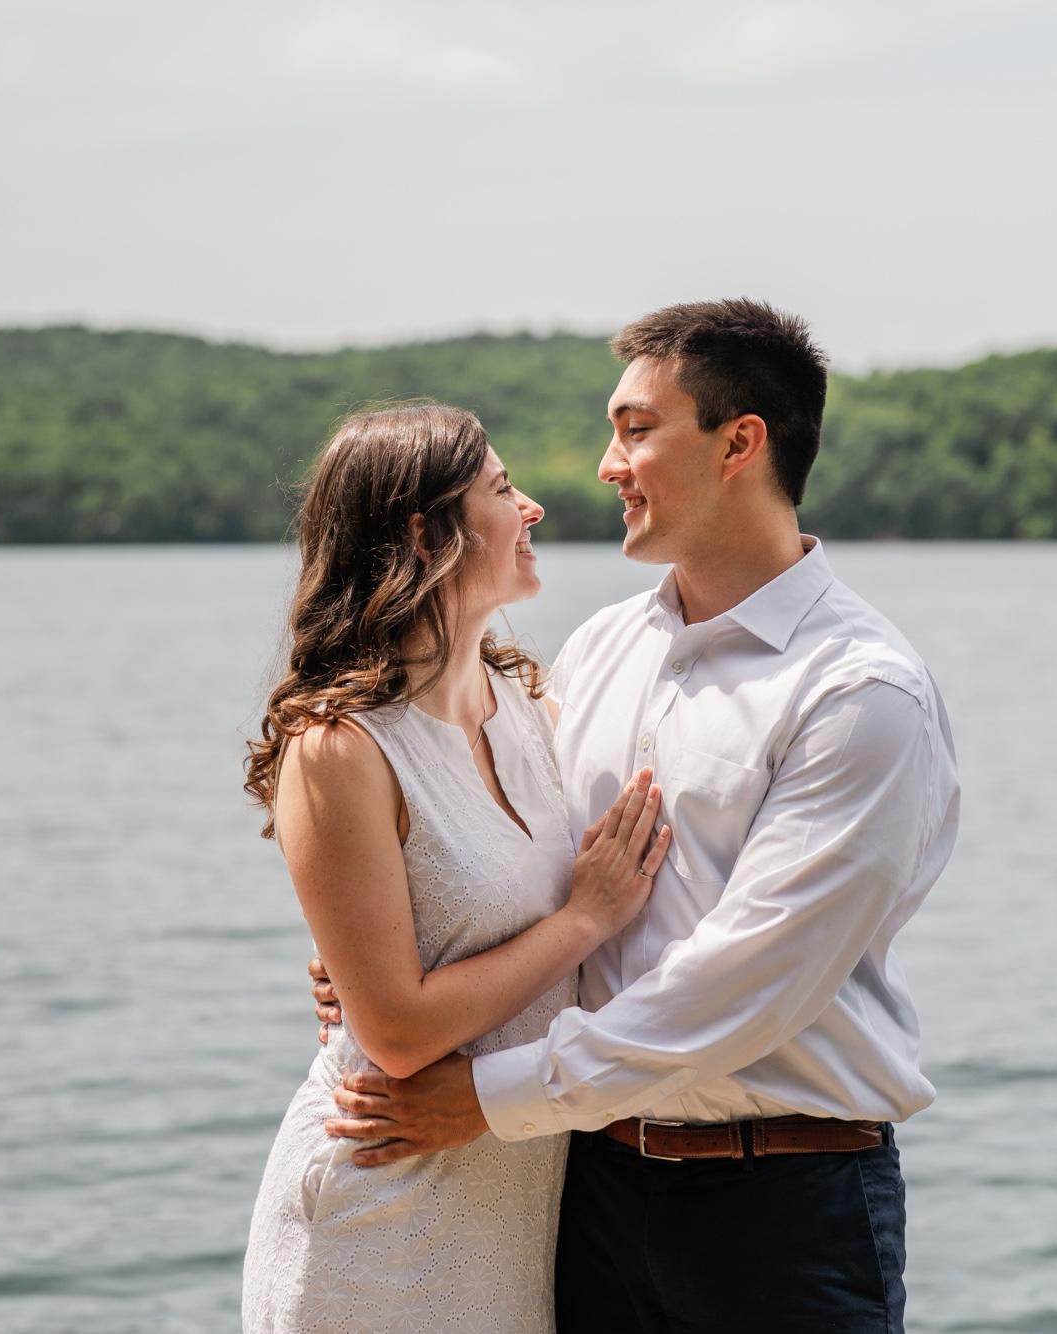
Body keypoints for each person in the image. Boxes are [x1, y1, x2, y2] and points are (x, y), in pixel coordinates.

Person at [312, 299, 961, 1332]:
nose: (606, 462)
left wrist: (483, 1093)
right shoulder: (597, 650)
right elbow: (528, 872)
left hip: (781, 1206)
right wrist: (394, 965)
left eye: (635, 428)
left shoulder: (858, 692)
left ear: (738, 441)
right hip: (583, 1192)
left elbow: (746, 981)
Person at [240, 402, 672, 1333]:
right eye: (503, 489)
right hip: (381, 1209)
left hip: (514, 1207)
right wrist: (583, 922)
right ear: (423, 532)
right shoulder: (338, 747)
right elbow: (395, 1033)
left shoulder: (531, 704)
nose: (534, 510)